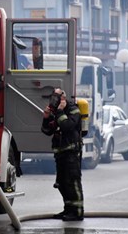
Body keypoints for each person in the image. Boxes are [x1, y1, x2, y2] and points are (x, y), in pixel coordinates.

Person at [41, 88, 84, 221]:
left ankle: (77, 211)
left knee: (72, 181)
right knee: (62, 183)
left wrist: (60, 111)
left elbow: (67, 126)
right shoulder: (55, 112)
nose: (53, 100)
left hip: (71, 151)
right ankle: (68, 209)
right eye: (52, 97)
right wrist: (46, 118)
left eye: (56, 97)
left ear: (63, 98)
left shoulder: (73, 109)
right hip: (60, 153)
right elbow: (47, 130)